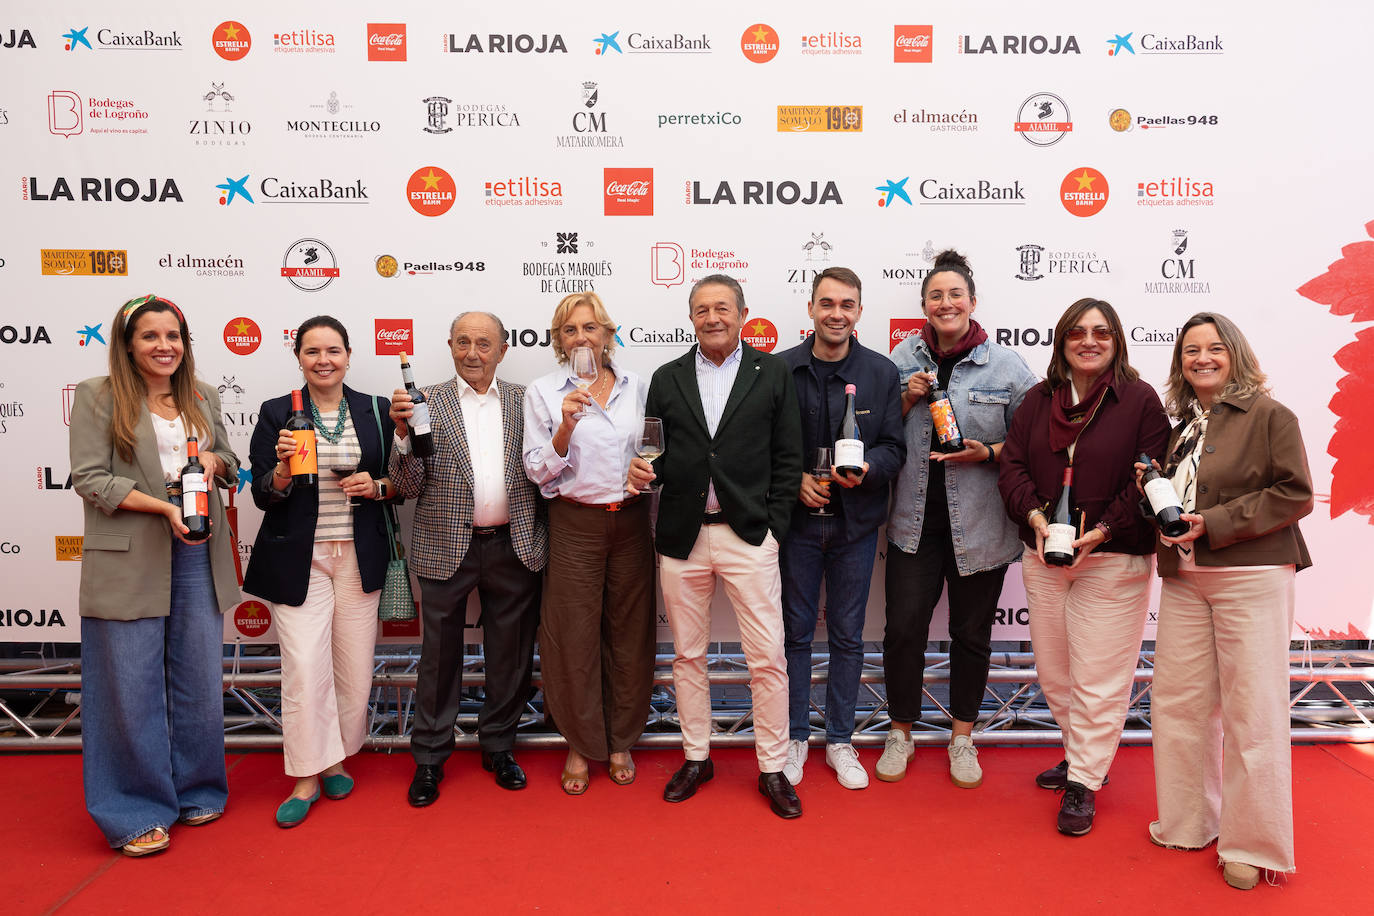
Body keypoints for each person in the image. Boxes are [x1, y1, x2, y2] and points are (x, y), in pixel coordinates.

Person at [1143, 312, 1312, 890]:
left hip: (1253, 575)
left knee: (1254, 713)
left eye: (1215, 348)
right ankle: (1190, 821)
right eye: (1191, 350)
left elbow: (1295, 493)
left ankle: (1253, 844)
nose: (1202, 358)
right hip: (1188, 578)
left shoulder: (1271, 415)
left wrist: (1210, 522)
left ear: (1235, 354)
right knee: (1179, 706)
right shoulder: (1182, 425)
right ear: (1180, 362)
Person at [69, 294, 240, 857]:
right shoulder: (99, 395)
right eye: (150, 336)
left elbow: (231, 463)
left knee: (196, 677)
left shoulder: (201, 396)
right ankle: (133, 810)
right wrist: (163, 507)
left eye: (174, 336)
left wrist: (216, 463)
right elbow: (90, 478)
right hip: (133, 547)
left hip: (197, 548)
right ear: (128, 344)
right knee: (128, 682)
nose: (165, 346)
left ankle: (197, 788)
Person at [998, 298, 1170, 835]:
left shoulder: (1140, 402)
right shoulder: (1039, 399)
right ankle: (1081, 757)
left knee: (1099, 679)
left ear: (1116, 340)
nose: (1088, 341)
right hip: (1044, 555)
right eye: (1077, 332)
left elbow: (1148, 478)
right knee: (1057, 675)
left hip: (1112, 559)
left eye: (1100, 332)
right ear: (1061, 342)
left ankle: (1085, 782)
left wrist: (1100, 533)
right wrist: (1037, 518)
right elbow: (1012, 466)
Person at [645, 274, 804, 818]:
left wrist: (775, 525)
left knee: (767, 657)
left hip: (749, 534)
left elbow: (790, 457)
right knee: (688, 655)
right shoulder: (666, 378)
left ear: (742, 314)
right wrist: (649, 470)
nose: (712, 318)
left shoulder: (774, 372)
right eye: (701, 310)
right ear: (690, 317)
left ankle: (773, 767)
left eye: (722, 308)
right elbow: (658, 451)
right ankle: (696, 755)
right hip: (682, 538)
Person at [878, 250, 1037, 789]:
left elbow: (1031, 443)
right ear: (924, 304)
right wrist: (904, 399)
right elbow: (873, 433)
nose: (945, 303)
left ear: (972, 301)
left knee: (971, 636)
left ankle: (962, 737)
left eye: (955, 295)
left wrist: (986, 454)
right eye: (936, 295)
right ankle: (901, 731)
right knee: (903, 633)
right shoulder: (898, 360)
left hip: (982, 528)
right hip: (912, 524)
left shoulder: (1008, 366)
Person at [389, 312, 548, 806]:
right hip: (443, 547)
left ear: (503, 349)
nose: (473, 352)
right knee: (438, 659)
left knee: (512, 655)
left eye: (484, 343)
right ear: (450, 346)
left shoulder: (529, 401)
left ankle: (499, 746)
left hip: (515, 544)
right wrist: (401, 437)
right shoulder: (424, 402)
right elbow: (407, 487)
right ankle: (430, 759)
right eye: (463, 342)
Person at [242, 316, 396, 827]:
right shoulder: (275, 413)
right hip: (298, 558)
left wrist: (376, 487)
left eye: (333, 350)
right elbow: (263, 493)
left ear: (349, 355)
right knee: (305, 667)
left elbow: (402, 479)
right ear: (299, 357)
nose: (323, 360)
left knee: (353, 669)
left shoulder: (374, 409)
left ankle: (335, 757)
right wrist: (284, 469)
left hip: (359, 554)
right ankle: (306, 775)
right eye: (312, 351)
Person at [522, 292, 656, 795]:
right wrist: (565, 427)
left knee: (629, 633)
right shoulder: (542, 392)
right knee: (572, 638)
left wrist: (649, 472)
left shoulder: (636, 386)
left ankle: (620, 739)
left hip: (630, 522)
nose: (582, 337)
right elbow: (537, 471)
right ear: (559, 341)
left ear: (608, 333)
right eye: (571, 330)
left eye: (591, 327)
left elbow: (654, 451)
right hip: (574, 523)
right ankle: (580, 742)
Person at [777, 267, 905, 790]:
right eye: (826, 303)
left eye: (846, 304)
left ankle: (839, 741)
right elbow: (760, 449)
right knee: (796, 636)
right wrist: (792, 483)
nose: (836, 313)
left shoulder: (881, 372)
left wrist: (868, 468)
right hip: (796, 528)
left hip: (855, 528)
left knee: (849, 638)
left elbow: (896, 449)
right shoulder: (777, 370)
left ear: (858, 311)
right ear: (810, 308)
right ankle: (794, 739)